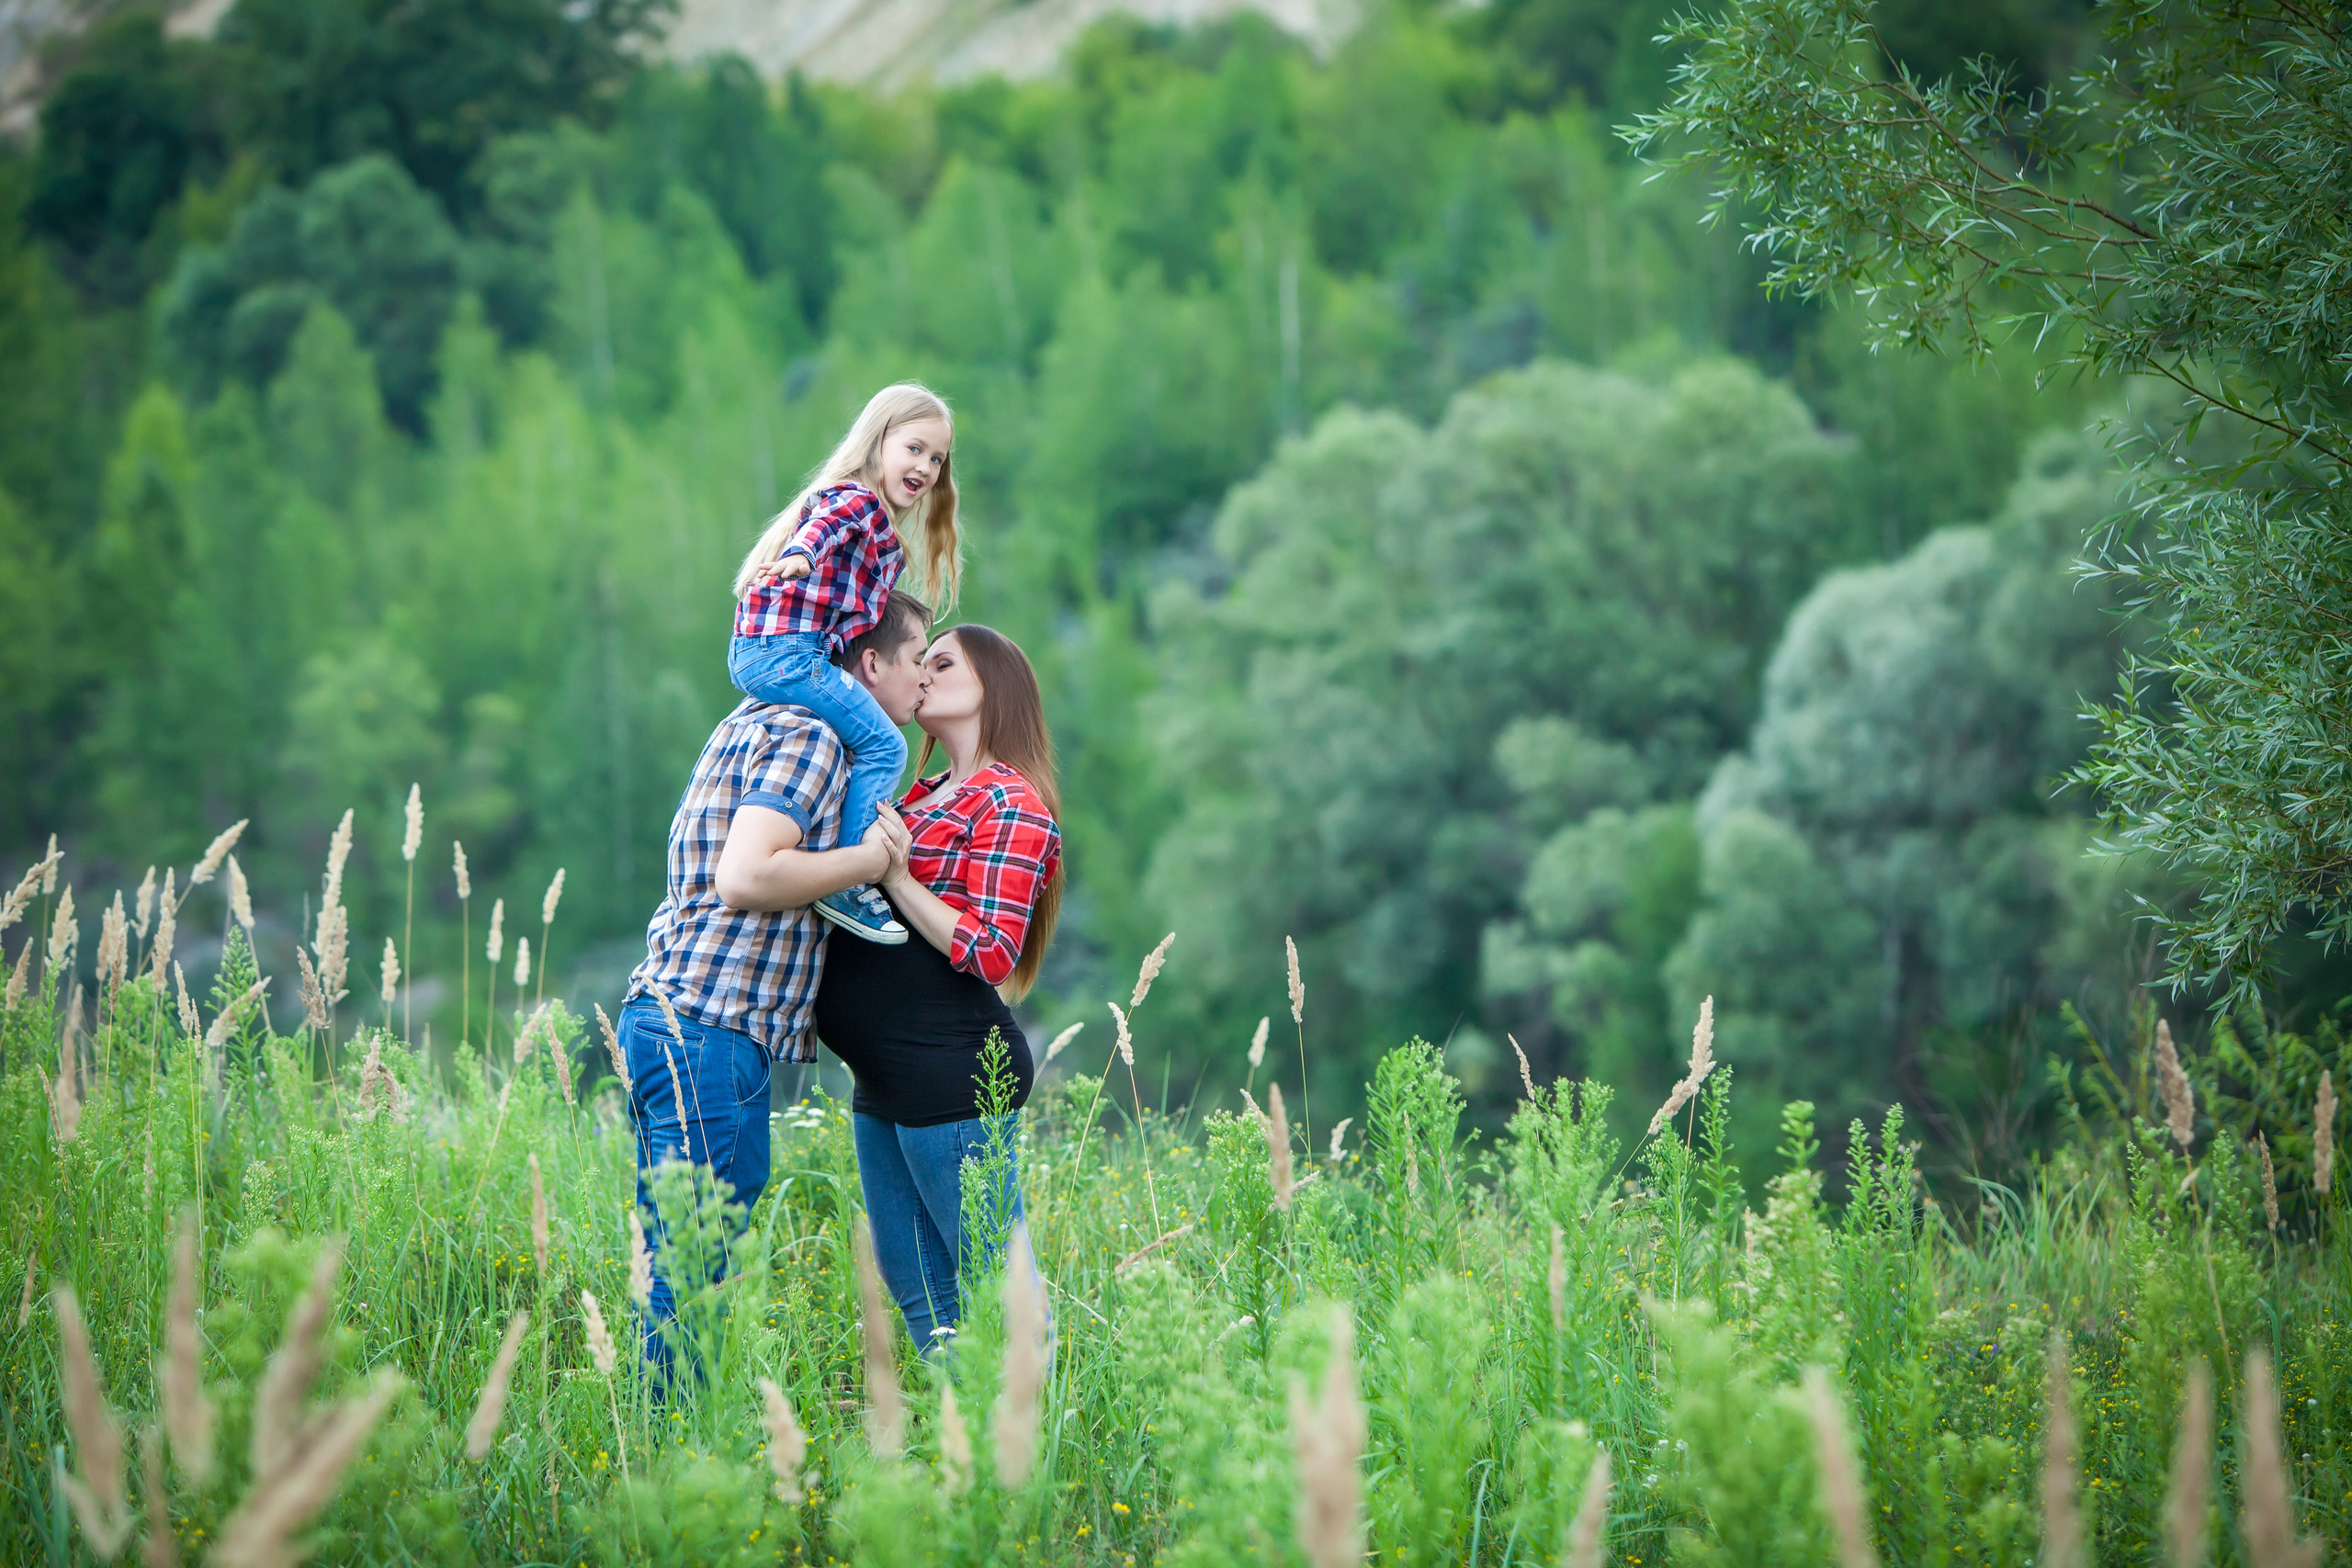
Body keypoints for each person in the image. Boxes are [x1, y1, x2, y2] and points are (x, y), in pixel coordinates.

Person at [619, 591, 932, 1378]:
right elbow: (746, 875)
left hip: (676, 1015)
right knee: (695, 1271)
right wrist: (868, 863)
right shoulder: (815, 735)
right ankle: (677, 1446)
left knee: (677, 1261)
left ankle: (659, 1436)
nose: (924, 681)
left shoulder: (757, 719)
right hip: (710, 1025)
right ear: (870, 664)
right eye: (917, 661)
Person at [814, 624, 1062, 1352]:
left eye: (942, 661)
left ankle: (1032, 1421)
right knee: (920, 1290)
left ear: (994, 685)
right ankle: (964, 1424)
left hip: (949, 1071)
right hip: (885, 1075)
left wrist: (895, 877)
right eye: (921, 660)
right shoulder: (919, 794)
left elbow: (990, 950)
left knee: (995, 1285)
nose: (923, 673)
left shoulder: (1009, 800)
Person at [728, 382, 962, 946]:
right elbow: (823, 527)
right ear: (878, 442)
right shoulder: (857, 502)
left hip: (776, 653)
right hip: (785, 654)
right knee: (886, 746)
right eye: (914, 448)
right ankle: (851, 875)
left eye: (937, 459)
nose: (925, 467)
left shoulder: (882, 533)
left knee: (861, 736)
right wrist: (800, 556)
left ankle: (834, 853)